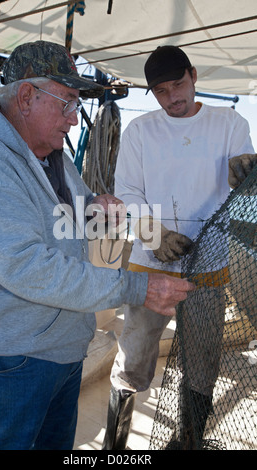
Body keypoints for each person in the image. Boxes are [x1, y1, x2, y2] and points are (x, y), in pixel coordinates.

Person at [0, 41, 195, 451]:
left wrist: (95, 209)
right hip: (4, 367)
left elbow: (68, 215)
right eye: (67, 102)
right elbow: (26, 265)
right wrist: (138, 287)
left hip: (62, 353)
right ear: (27, 97)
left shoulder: (51, 153)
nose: (73, 119)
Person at [103, 45, 257, 450]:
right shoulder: (141, 131)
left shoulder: (230, 123)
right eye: (160, 91)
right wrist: (156, 235)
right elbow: (127, 193)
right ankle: (114, 448)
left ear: (193, 75)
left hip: (208, 268)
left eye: (178, 85)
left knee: (202, 364)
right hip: (149, 268)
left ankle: (187, 441)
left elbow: (241, 190)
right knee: (132, 359)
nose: (172, 97)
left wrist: (245, 171)